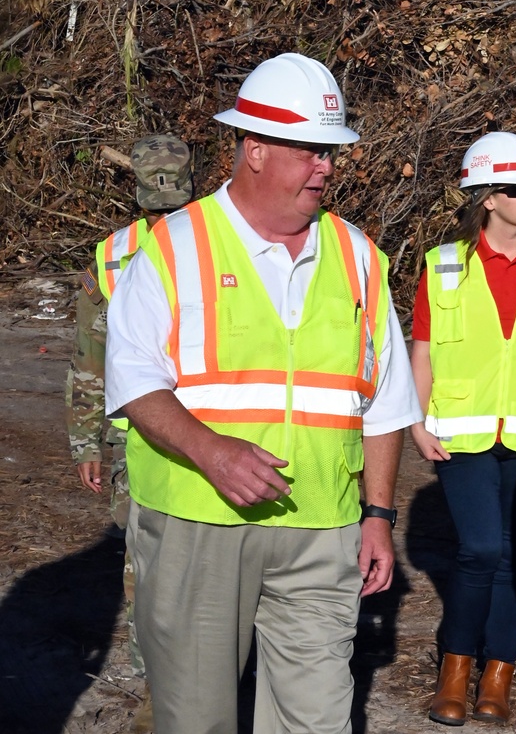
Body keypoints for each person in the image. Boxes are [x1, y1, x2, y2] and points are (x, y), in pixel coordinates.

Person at [104, 52, 422, 734]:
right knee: (197, 720)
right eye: (312, 149)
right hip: (198, 524)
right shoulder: (173, 247)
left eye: (332, 150)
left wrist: (377, 515)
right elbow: (133, 381)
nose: (328, 166)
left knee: (317, 721)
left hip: (322, 532)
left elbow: (385, 403)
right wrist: (211, 451)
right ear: (254, 149)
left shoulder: (360, 256)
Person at [409, 132, 516, 727]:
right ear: (487, 198)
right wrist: (417, 419)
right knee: (480, 548)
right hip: (460, 433)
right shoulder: (444, 264)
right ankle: (455, 669)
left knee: (511, 557)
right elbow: (424, 348)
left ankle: (498, 674)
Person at [66, 133, 193, 734]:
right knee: (147, 563)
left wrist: (87, 439)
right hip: (136, 439)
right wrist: (86, 441)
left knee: (182, 562)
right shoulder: (115, 256)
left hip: (201, 438)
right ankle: (157, 690)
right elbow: (92, 354)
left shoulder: (220, 243)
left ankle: (186, 683)